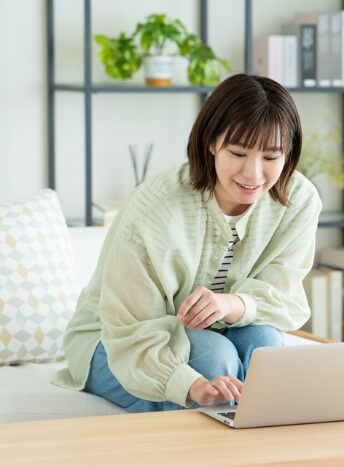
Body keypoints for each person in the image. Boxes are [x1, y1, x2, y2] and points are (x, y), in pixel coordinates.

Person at [51, 74, 322, 411]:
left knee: (265, 343)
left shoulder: (298, 200)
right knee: (213, 357)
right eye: (238, 153)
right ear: (211, 142)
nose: (254, 174)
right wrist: (192, 386)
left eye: (271, 158)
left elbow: (285, 300)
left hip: (220, 328)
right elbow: (131, 332)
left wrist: (230, 304)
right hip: (115, 342)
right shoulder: (155, 211)